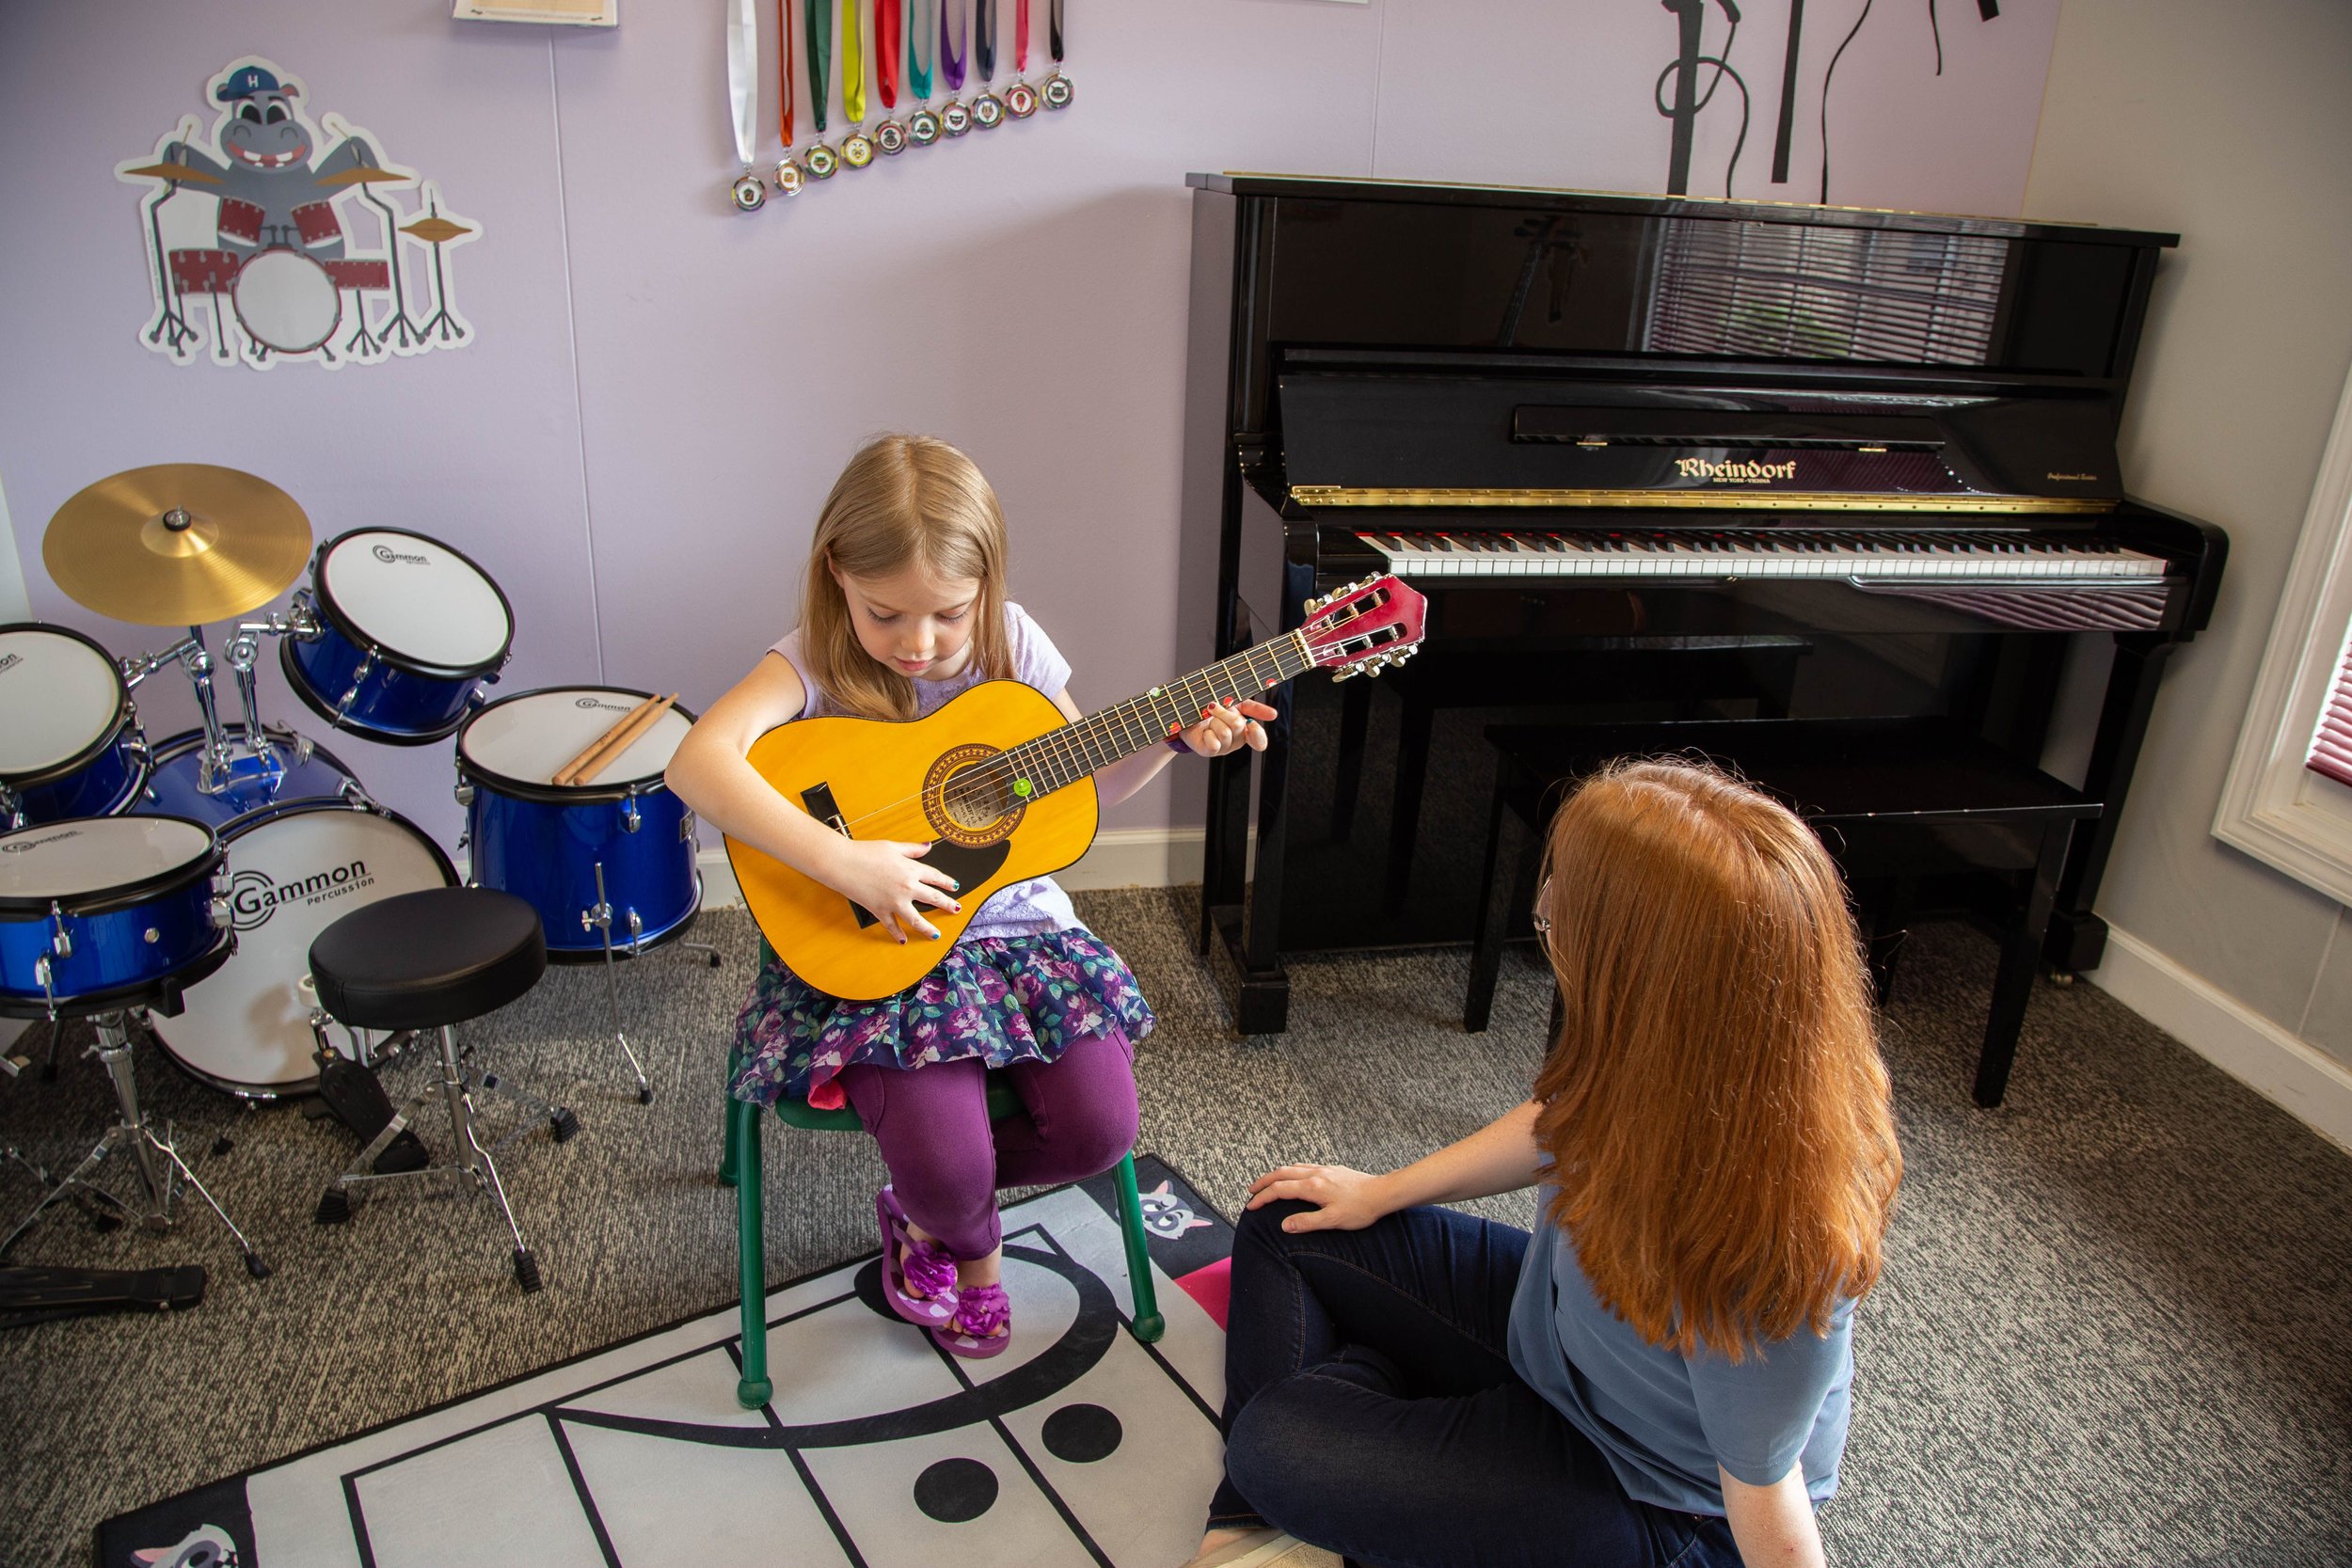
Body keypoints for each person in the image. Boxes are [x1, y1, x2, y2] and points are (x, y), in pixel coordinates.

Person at [1187, 759, 1904, 1568]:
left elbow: (1770, 1513)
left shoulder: (1773, 1238)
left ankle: (1293, 1496)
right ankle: (1278, 1512)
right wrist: (1382, 1191)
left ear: (1649, 968)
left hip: (1648, 1493)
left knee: (1275, 1444)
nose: (1547, 914)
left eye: (1566, 910)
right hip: (1557, 1341)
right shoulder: (1681, 1048)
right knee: (1286, 1217)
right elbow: (1562, 1122)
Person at [668, 434, 1275, 1358]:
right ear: (836, 574)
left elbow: (1082, 790)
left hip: (1017, 937)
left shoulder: (1014, 642)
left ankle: (926, 1208)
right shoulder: (809, 662)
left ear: (987, 584)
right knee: (951, 1167)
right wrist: (848, 864)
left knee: (1100, 1130)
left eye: (949, 614)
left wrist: (1173, 739)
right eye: (886, 614)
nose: (919, 642)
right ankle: (964, 1236)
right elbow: (695, 762)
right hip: (878, 946)